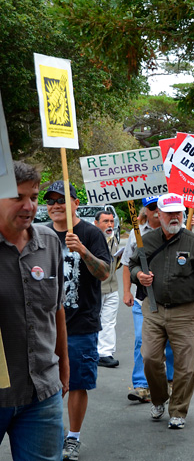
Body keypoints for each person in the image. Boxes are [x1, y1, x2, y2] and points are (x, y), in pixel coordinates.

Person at [130, 193, 194, 430]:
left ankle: (178, 410)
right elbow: (133, 264)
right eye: (169, 213)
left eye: (178, 212)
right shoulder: (146, 241)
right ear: (158, 214)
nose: (175, 217)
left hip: (186, 312)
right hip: (154, 309)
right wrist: (138, 275)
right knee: (149, 357)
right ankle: (159, 399)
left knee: (187, 365)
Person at [0, 162, 68, 461]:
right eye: (18, 197)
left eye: (34, 197)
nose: (29, 206)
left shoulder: (49, 243)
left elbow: (56, 310)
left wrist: (63, 365)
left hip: (42, 393)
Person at [44, 181, 111, 461]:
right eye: (51, 201)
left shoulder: (91, 233)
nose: (56, 205)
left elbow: (105, 272)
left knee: (78, 382)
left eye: (63, 199)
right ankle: (48, 432)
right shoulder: (41, 235)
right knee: (46, 383)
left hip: (80, 322)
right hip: (45, 324)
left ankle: (72, 438)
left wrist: (82, 250)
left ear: (75, 203)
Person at [120, 196, 175, 404]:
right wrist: (127, 292)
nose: (155, 211)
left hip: (169, 300)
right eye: (151, 207)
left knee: (169, 341)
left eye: (159, 207)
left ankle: (169, 381)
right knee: (141, 340)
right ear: (145, 210)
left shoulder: (175, 232)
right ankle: (141, 385)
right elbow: (126, 264)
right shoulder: (136, 235)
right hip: (143, 299)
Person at [95, 210, 121, 368]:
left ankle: (106, 353)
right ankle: (94, 351)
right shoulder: (91, 239)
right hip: (96, 288)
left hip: (112, 287)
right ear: (96, 223)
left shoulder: (113, 238)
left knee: (109, 321)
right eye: (105, 221)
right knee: (94, 320)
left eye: (111, 221)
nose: (110, 225)